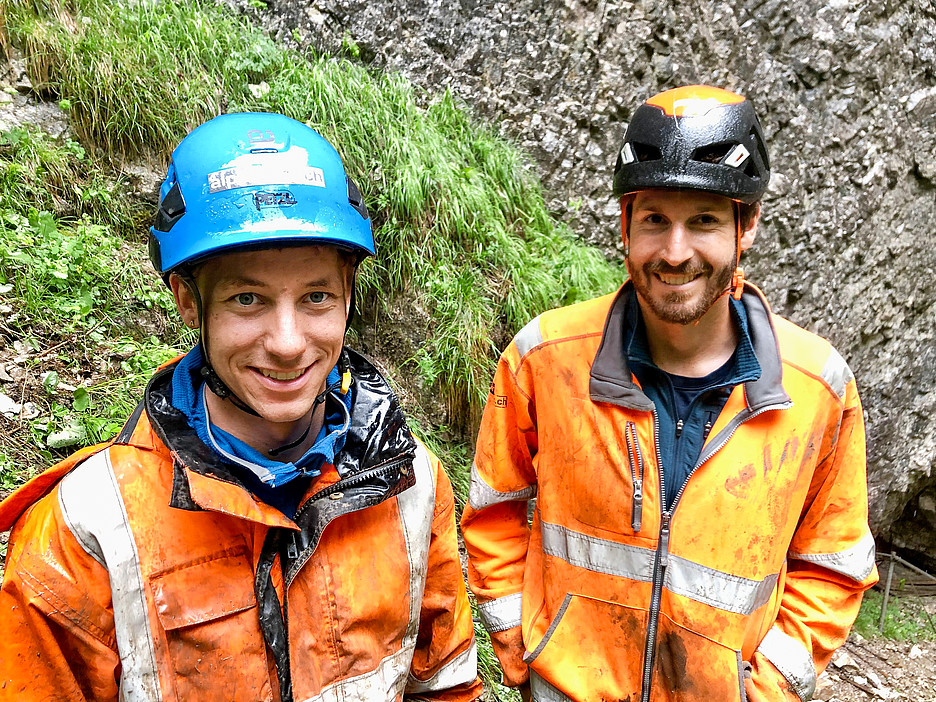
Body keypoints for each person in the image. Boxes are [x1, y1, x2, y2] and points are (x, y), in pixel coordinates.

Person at [0, 113, 482, 702]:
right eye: (247, 299)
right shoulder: (89, 526)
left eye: (317, 297)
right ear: (188, 301)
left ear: (349, 297)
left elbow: (442, 686)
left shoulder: (408, 481)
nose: (288, 343)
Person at [461, 85, 878, 702]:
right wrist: (520, 652)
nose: (675, 253)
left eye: (703, 220)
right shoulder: (544, 359)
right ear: (626, 224)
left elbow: (833, 564)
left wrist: (767, 691)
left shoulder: (817, 387)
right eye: (656, 219)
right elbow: (493, 513)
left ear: (746, 225)